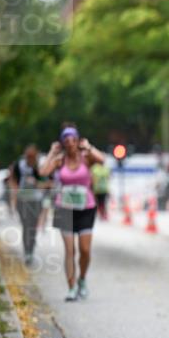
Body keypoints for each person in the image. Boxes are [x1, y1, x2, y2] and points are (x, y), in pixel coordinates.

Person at [41, 127, 106, 301]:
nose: (70, 144)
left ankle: (82, 279)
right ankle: (71, 287)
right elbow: (43, 172)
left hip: (86, 207)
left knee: (85, 250)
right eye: (66, 141)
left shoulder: (86, 158)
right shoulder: (60, 160)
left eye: (73, 140)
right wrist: (51, 152)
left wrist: (89, 146)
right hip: (64, 208)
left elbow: (103, 160)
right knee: (70, 251)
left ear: (78, 141)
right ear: (63, 143)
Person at [9, 144, 48, 264]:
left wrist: (36, 182)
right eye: (28, 156)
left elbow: (46, 183)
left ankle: (31, 250)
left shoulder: (40, 167)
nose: (30, 159)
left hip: (36, 200)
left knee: (32, 227)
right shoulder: (19, 165)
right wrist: (13, 200)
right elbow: (13, 182)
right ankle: (27, 251)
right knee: (26, 226)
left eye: (32, 156)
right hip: (23, 200)